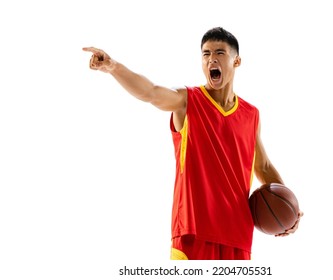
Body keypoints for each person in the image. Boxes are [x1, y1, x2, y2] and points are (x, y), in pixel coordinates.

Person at [83, 27, 303, 260]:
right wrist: (113, 67)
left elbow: (265, 168)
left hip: (238, 237)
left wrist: (291, 212)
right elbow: (150, 92)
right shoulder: (187, 101)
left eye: (220, 53)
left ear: (236, 61)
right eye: (206, 54)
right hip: (192, 233)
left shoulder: (251, 114)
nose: (212, 59)